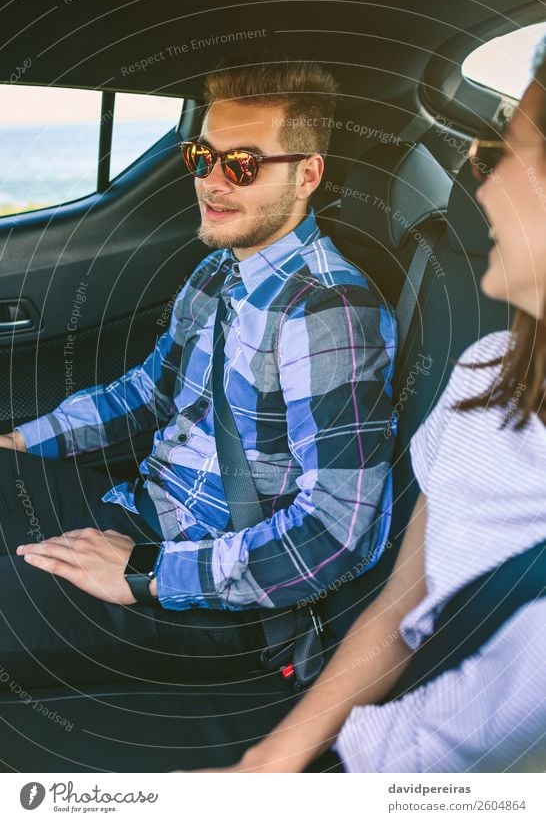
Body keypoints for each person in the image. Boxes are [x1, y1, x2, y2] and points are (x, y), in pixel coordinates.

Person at [190, 38, 546, 773]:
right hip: (360, 757)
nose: (480, 189)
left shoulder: (329, 307)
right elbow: (399, 612)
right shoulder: (483, 378)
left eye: (506, 156)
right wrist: (269, 761)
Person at [0, 60, 397, 689]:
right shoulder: (217, 274)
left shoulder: (328, 314)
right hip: (138, 511)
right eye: (200, 157)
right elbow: (148, 392)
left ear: (306, 175)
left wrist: (146, 573)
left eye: (241, 164)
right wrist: (21, 443)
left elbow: (336, 534)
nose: (211, 181)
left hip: (209, 592)